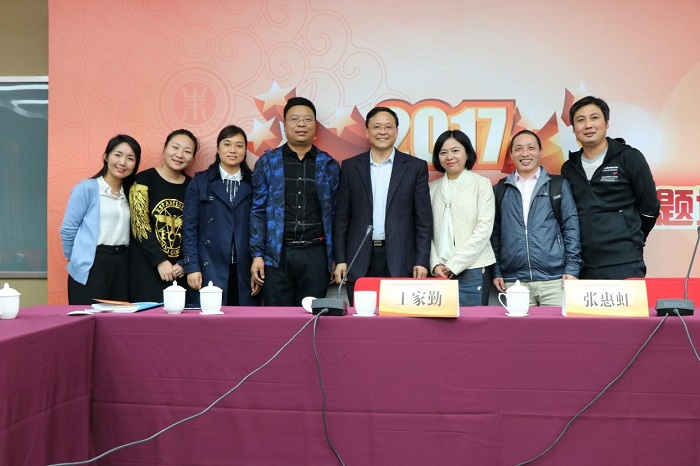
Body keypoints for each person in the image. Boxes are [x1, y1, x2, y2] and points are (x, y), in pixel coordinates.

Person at [333, 106, 432, 304]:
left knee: (397, 317)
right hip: (359, 258)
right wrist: (341, 259)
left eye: (388, 127)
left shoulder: (415, 167)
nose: (382, 132)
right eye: (377, 127)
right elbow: (342, 218)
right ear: (367, 132)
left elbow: (423, 221)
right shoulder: (351, 167)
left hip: (400, 258)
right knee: (361, 315)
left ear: (396, 131)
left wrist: (421, 261)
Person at [249, 97, 340, 306]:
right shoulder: (268, 162)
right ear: (284, 125)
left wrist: (335, 256)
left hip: (316, 254)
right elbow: (257, 211)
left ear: (315, 126)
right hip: (276, 255)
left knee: (312, 316)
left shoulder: (328, 165)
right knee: (277, 318)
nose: (301, 124)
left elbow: (336, 214)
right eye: (295, 119)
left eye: (307, 119)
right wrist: (257, 255)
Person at [561, 96, 660, 279]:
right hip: (582, 266)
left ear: (607, 123)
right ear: (574, 129)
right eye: (580, 120)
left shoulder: (629, 157)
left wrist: (630, 237)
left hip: (624, 263)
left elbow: (649, 209)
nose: (588, 125)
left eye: (594, 118)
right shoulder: (569, 168)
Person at [491, 130, 582, 306]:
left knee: (557, 325)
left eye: (531, 148)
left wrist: (572, 268)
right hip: (515, 282)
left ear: (540, 152)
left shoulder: (557, 185)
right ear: (511, 154)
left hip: (556, 281)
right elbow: (495, 234)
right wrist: (497, 271)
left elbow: (571, 228)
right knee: (518, 326)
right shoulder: (500, 189)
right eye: (519, 149)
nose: (525, 154)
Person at [183, 125, 260, 306]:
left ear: (245, 151)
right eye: (227, 144)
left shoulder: (255, 184)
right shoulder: (200, 182)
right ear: (218, 148)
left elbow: (261, 226)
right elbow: (189, 229)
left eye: (239, 145)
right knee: (211, 319)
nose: (233, 150)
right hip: (209, 265)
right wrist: (192, 266)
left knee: (244, 320)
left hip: (245, 267)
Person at [60, 134, 142, 304]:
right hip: (93, 262)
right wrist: (75, 257)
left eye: (130, 158)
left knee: (118, 317)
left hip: (122, 263)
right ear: (106, 157)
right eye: (117, 155)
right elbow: (68, 229)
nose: (123, 162)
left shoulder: (131, 193)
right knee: (89, 315)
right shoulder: (87, 188)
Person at [128, 129, 198, 302]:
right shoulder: (143, 180)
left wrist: (184, 262)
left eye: (187, 151)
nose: (179, 155)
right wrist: (160, 260)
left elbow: (197, 229)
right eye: (175, 147)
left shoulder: (193, 186)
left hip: (179, 275)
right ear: (165, 148)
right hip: (146, 271)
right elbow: (139, 225)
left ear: (192, 157)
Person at [429, 129, 496, 306]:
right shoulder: (431, 189)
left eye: (455, 151)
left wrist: (455, 264)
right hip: (439, 271)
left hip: (473, 268)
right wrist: (435, 264)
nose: (449, 157)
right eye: (443, 152)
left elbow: (484, 230)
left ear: (467, 153)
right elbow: (425, 231)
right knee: (438, 322)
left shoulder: (481, 184)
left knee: (472, 322)